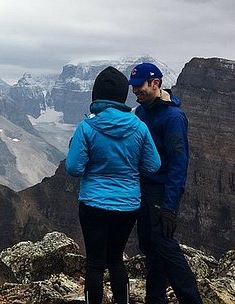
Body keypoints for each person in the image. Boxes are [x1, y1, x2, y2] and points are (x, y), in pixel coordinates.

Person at [66, 66, 161, 304]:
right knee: (116, 259)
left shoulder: (87, 127)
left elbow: (74, 168)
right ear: (122, 96)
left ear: (96, 96)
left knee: (95, 264)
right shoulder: (139, 126)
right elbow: (153, 165)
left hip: (93, 204)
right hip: (128, 205)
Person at [128, 62, 203, 304]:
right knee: (150, 247)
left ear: (155, 83)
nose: (135, 91)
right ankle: (155, 298)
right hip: (143, 191)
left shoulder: (173, 117)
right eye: (133, 87)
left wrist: (170, 206)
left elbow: (178, 162)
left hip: (161, 193)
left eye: (139, 86)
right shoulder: (141, 112)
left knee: (166, 248)